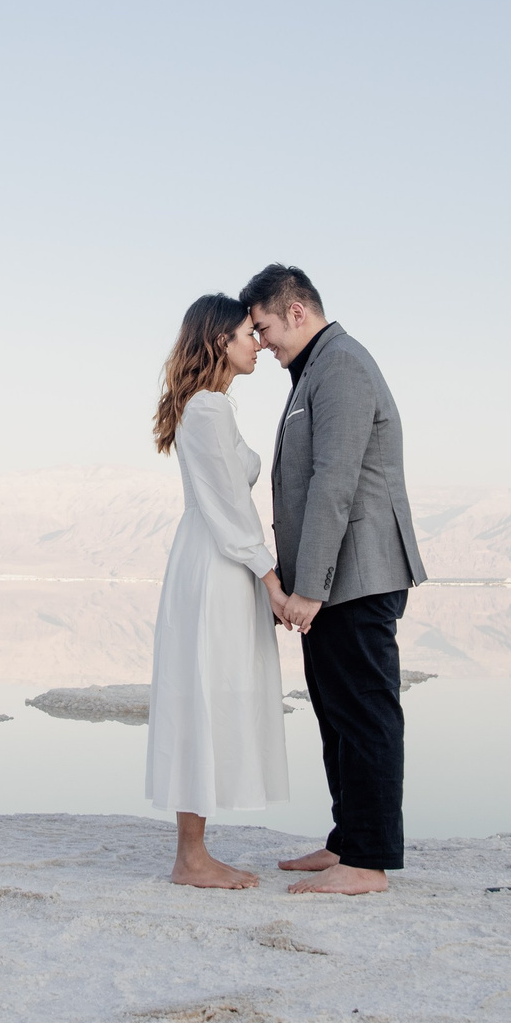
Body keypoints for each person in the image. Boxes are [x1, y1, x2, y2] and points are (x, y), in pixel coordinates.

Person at [241, 263, 426, 896]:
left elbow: (334, 484)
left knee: (366, 713)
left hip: (356, 575)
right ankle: (347, 841)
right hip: (332, 578)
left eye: (263, 328)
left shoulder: (340, 364)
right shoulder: (313, 370)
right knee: (336, 712)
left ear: (296, 311)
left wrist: (308, 588)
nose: (261, 343)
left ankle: (368, 862)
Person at [145, 292, 291, 888]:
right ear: (218, 342)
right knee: (203, 694)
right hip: (217, 563)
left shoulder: (210, 407)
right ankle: (191, 856)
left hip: (215, 558)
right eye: (245, 333)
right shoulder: (207, 410)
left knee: (206, 693)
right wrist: (272, 579)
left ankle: (194, 851)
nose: (256, 341)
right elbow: (231, 506)